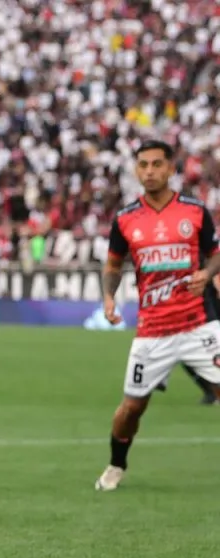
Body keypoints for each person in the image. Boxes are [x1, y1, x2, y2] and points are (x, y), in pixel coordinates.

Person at [96, 140, 220, 492]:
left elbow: (215, 254)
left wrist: (208, 274)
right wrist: (108, 297)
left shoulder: (195, 211)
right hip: (152, 332)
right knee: (131, 409)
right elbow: (113, 266)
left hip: (199, 324)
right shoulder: (125, 219)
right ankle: (116, 465)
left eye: (156, 164)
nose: (149, 171)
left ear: (170, 169)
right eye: (143, 165)